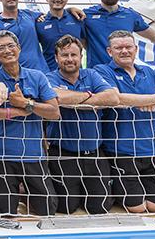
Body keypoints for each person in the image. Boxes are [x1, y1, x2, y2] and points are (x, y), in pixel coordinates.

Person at [94, 31, 155, 213]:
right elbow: (115, 98)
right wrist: (154, 99)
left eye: (128, 47)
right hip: (121, 151)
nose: (124, 51)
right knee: (137, 208)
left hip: (151, 150)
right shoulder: (102, 71)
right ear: (109, 51)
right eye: (118, 48)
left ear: (136, 49)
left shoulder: (148, 72)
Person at [0, 30, 60, 216]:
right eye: (1, 48)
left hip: (33, 154)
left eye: (10, 46)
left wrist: (27, 104)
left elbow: (54, 112)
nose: (6, 50)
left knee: (48, 209)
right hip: (3, 155)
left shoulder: (37, 76)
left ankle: (26, 202)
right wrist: (15, 111)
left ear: (19, 49)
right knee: (5, 212)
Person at [45, 35, 119, 214]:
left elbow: (113, 97)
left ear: (81, 56)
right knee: (66, 208)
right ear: (56, 58)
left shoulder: (91, 74)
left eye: (74, 55)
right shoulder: (49, 77)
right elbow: (58, 97)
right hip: (63, 154)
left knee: (99, 208)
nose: (69, 59)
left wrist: (74, 99)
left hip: (94, 153)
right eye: (64, 55)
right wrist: (90, 96)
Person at [36, 0, 86, 72]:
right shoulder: (39, 23)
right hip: (49, 75)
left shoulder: (77, 18)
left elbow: (85, 43)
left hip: (76, 74)